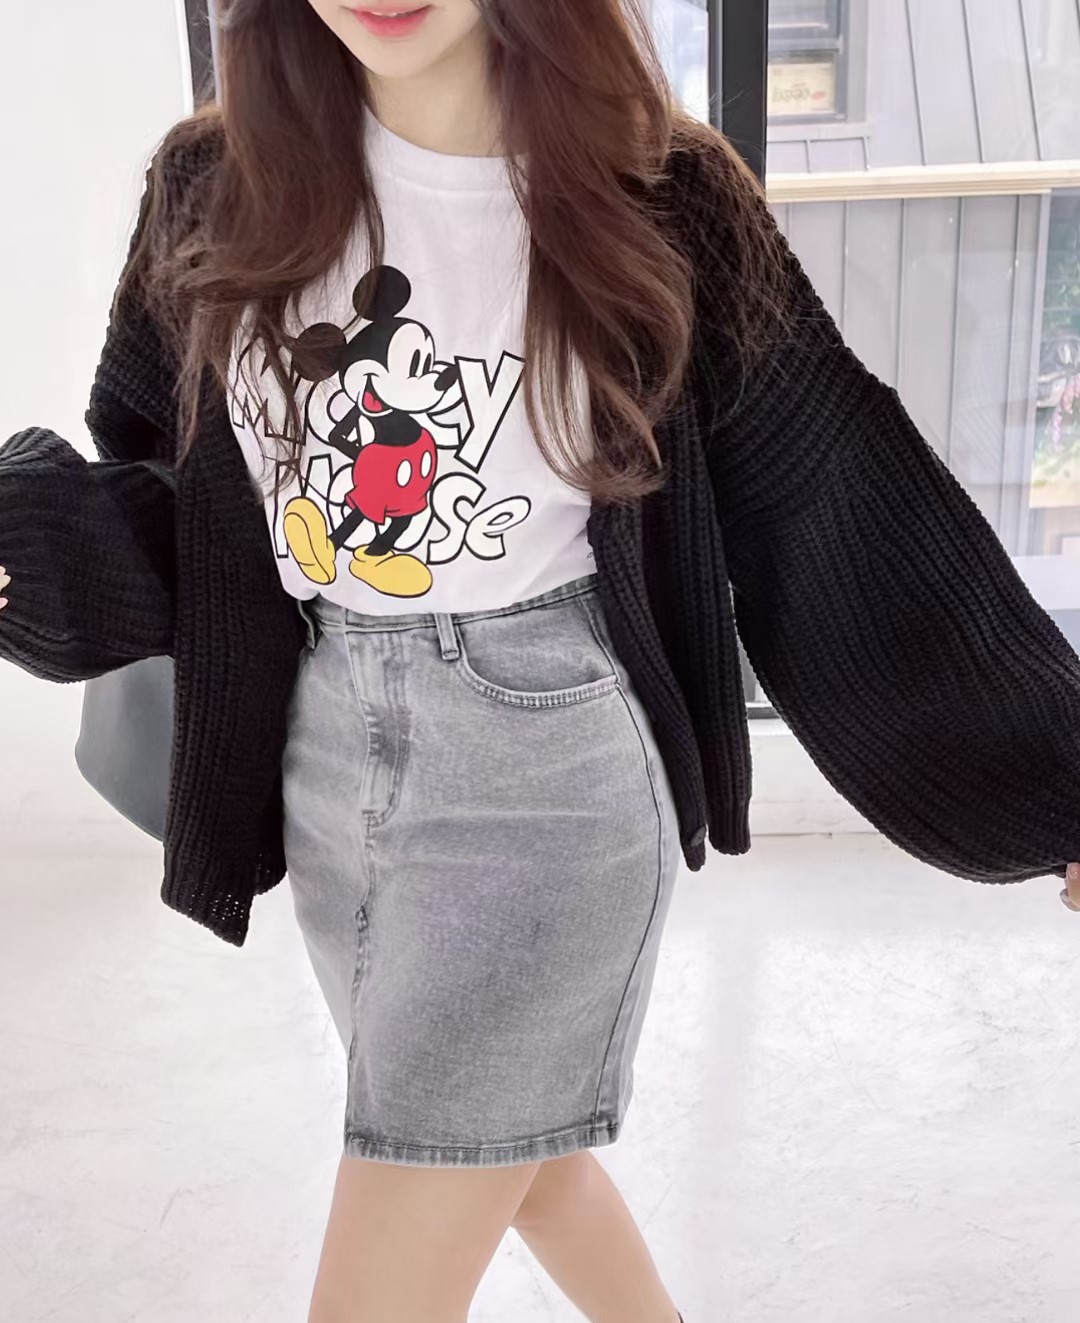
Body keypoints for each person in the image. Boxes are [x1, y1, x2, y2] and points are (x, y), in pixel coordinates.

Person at [1, 2, 1078, 1320]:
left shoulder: (662, 197)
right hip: (330, 767)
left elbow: (840, 507)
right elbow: (173, 505)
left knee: (419, 1212)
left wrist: (1059, 788)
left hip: (548, 776)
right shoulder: (210, 187)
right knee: (524, 1165)